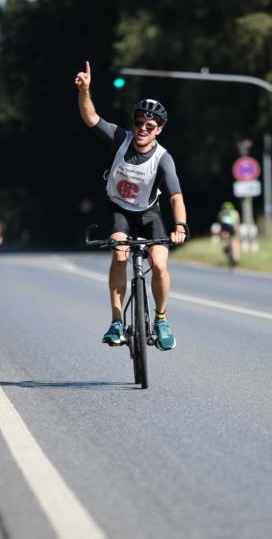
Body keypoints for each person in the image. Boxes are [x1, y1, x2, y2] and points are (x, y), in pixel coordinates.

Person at [74, 60, 188, 351]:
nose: (142, 129)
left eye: (150, 126)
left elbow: (175, 196)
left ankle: (161, 319)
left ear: (158, 130)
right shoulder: (120, 139)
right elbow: (90, 118)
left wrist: (179, 226)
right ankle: (115, 322)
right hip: (119, 211)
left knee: (159, 265)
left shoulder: (164, 158)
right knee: (120, 254)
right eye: (138, 122)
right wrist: (85, 90)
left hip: (150, 214)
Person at [218, 201, 241, 266]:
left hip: (224, 227)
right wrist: (237, 232)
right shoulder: (235, 213)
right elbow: (237, 223)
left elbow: (220, 224)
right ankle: (236, 258)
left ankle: (226, 246)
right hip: (232, 227)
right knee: (235, 241)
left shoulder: (221, 213)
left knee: (224, 236)